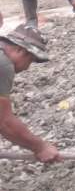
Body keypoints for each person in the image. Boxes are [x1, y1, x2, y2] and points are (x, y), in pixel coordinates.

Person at [0, 25, 60, 163]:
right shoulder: (3, 65)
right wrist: (40, 147)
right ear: (20, 50)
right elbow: (4, 122)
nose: (27, 67)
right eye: (30, 60)